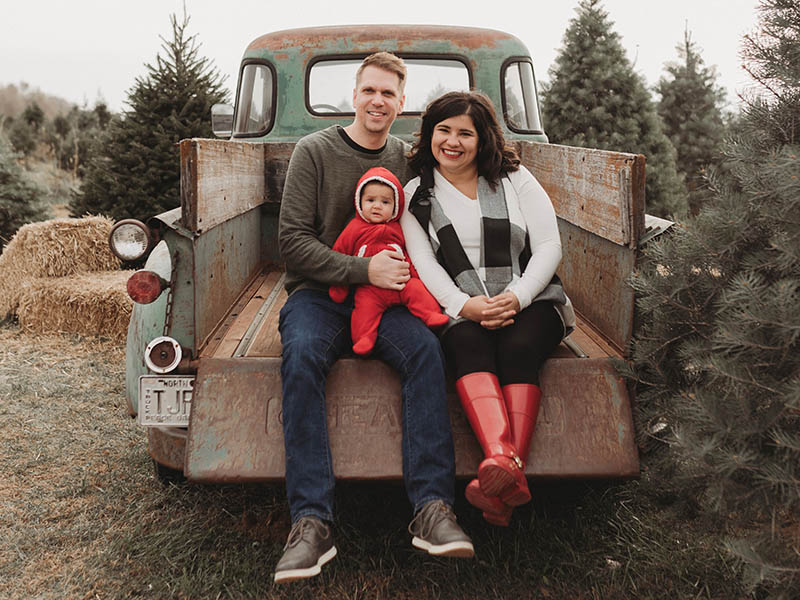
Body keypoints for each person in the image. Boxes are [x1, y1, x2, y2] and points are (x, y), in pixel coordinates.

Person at [275, 53, 473, 584]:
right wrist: (363, 269)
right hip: (319, 295)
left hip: (388, 299)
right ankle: (311, 522)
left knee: (426, 351)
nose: (378, 101)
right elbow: (292, 242)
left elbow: (459, 181)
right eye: (370, 91)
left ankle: (432, 509)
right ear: (354, 95)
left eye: (389, 94)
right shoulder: (314, 151)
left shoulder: (408, 161)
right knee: (301, 356)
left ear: (402, 103)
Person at [400, 91, 576, 527]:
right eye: (443, 130)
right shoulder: (415, 195)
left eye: (465, 133)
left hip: (531, 296)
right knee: (466, 345)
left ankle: (501, 471)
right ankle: (503, 463)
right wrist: (465, 305)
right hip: (461, 304)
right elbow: (422, 263)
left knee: (518, 347)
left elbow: (549, 245)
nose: (452, 141)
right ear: (429, 135)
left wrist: (519, 295)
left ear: (482, 139)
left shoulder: (515, 179)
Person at [329, 166, 449, 355]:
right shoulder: (354, 229)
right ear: (359, 201)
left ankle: (431, 314)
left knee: (416, 290)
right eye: (370, 200)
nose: (377, 206)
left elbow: (408, 255)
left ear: (396, 206)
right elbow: (340, 253)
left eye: (385, 202)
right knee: (364, 308)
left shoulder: (398, 229)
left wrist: (416, 277)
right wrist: (339, 287)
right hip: (370, 288)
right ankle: (364, 338)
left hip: (401, 283)